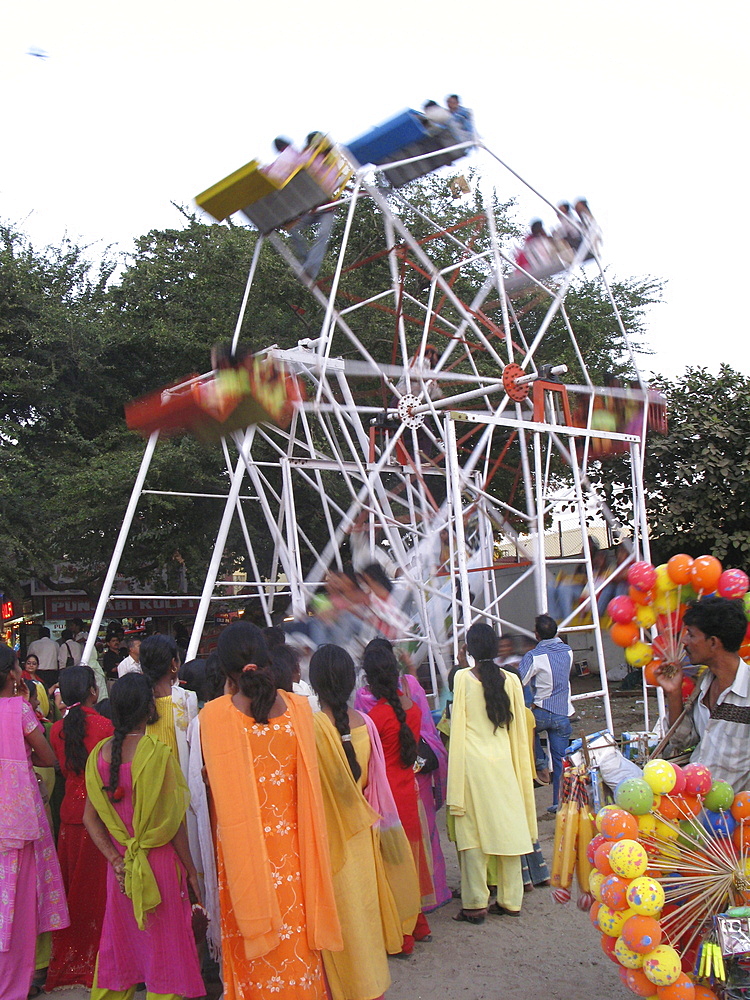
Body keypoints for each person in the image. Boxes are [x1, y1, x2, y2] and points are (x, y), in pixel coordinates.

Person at [199, 621, 342, 998]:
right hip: (297, 859)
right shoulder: (298, 709)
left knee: (253, 950)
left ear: (227, 669)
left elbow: (213, 789)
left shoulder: (213, 718)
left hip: (245, 862)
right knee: (298, 949)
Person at [309, 644, 421, 1000]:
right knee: (365, 916)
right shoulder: (366, 723)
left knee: (343, 922)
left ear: (314, 684)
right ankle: (373, 986)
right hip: (364, 835)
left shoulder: (313, 728)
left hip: (331, 840)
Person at [83, 672, 205, 998]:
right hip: (161, 865)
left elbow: (90, 819)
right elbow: (174, 823)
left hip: (122, 868)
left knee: (118, 945)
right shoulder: (157, 752)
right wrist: (191, 872)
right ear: (147, 707)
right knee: (167, 950)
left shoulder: (98, 757)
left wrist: (115, 858)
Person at [447, 623, 537, 924]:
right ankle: (511, 900)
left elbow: (457, 721)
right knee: (508, 829)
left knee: (472, 833)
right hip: (504, 763)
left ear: (469, 650)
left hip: (473, 765)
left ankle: (476, 903)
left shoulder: (462, 678)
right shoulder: (511, 680)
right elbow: (519, 732)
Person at [354, 639, 435, 949]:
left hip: (384, 799)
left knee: (390, 869)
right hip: (407, 793)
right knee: (411, 864)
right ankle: (419, 925)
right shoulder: (411, 708)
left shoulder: (374, 717)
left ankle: (401, 935)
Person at [0, 644, 69, 1000]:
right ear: (14, 674)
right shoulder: (19, 710)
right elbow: (47, 757)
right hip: (18, 819)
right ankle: (13, 984)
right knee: (20, 901)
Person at [47, 665, 114, 990]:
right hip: (99, 814)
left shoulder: (55, 729)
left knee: (72, 889)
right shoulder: (105, 726)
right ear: (91, 691)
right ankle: (103, 956)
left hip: (70, 814)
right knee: (99, 890)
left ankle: (71, 956)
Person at [657, 596, 750, 790]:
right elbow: (683, 741)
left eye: (691, 635)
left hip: (735, 814)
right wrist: (674, 693)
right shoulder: (705, 683)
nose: (684, 641)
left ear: (713, 642)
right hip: (694, 807)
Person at [518, 614, 574, 811]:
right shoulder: (568, 651)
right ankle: (560, 803)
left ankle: (540, 764)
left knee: (523, 731)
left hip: (541, 711)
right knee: (561, 761)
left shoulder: (534, 656)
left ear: (536, 634)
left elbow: (519, 682)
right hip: (562, 713)